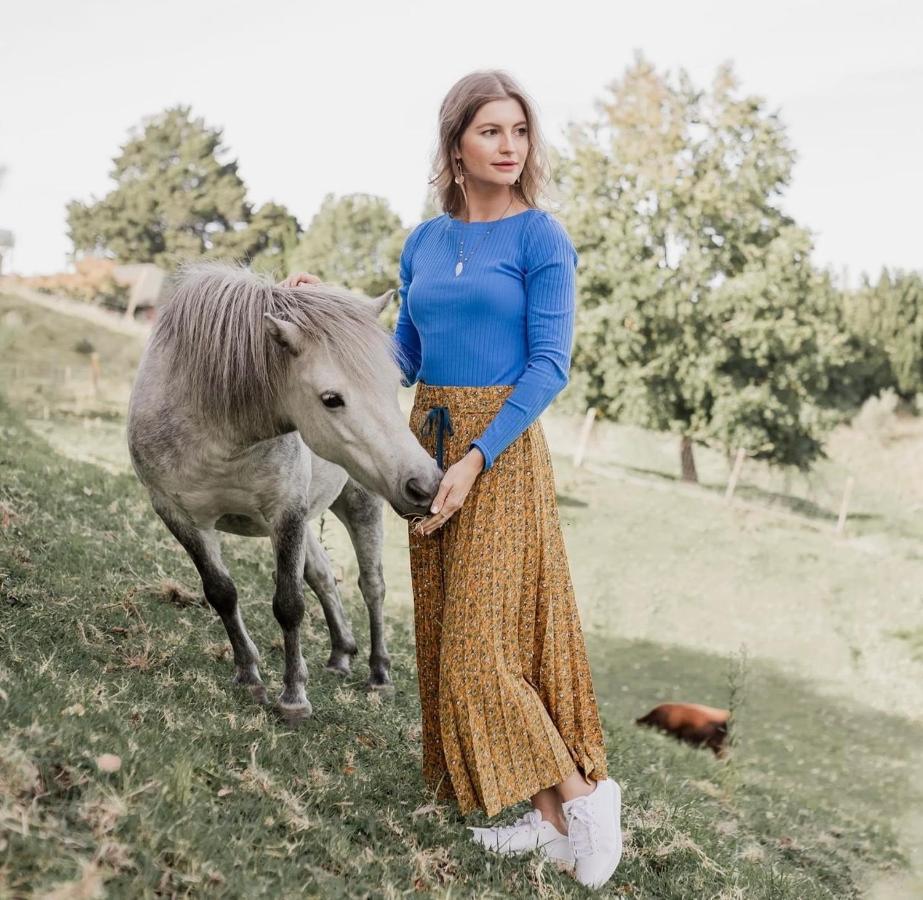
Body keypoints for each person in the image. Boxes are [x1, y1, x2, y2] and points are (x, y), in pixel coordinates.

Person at [282, 69, 622, 891]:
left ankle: (586, 799)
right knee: (450, 638)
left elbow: (548, 367)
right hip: (423, 444)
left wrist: (475, 460)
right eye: (491, 132)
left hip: (497, 455)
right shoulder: (424, 243)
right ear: (454, 146)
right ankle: (544, 823)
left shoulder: (542, 238)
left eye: (519, 131)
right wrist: (326, 304)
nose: (510, 146)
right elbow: (401, 358)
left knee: (482, 649)